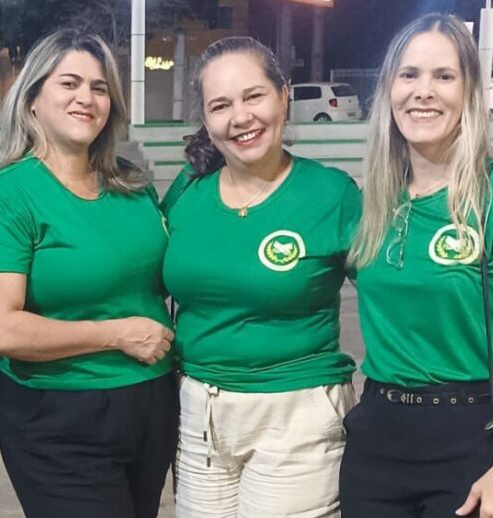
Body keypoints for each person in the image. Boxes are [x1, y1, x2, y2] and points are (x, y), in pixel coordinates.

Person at [340, 14, 493, 518]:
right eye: (409, 75)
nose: (423, 91)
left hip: (474, 438)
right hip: (376, 441)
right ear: (389, 89)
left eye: (443, 76)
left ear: (469, 92)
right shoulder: (371, 204)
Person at [0, 29, 176, 518]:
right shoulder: (4, 199)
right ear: (33, 99)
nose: (86, 98)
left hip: (150, 403)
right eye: (69, 83)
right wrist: (114, 334)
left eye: (99, 88)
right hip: (58, 413)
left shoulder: (132, 185)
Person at [161, 36, 358, 517]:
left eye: (254, 96)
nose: (240, 117)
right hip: (199, 415)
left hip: (296, 413)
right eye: (221, 105)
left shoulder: (331, 193)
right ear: (206, 119)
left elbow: (393, 294)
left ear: (283, 96)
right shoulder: (188, 191)